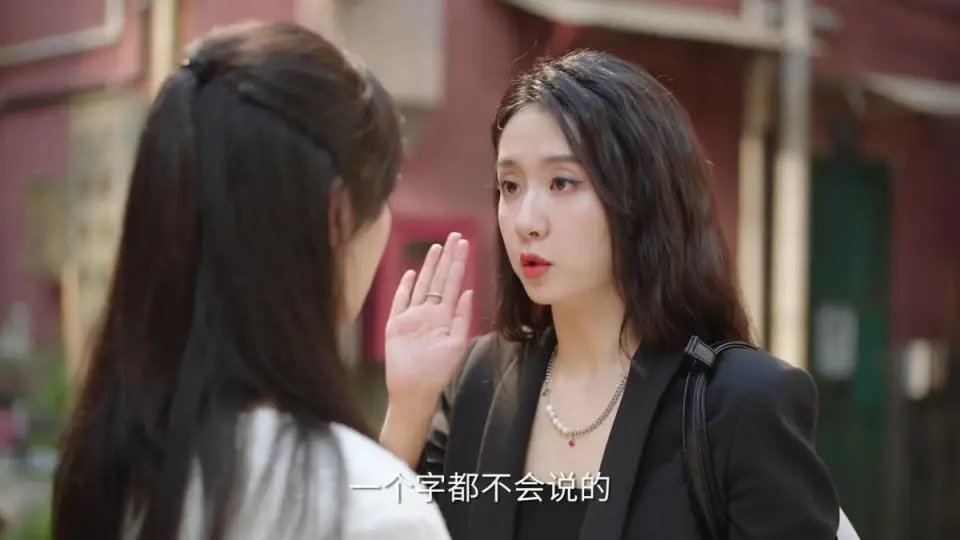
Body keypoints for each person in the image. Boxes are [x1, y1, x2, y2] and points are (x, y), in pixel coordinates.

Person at [379, 50, 841, 539]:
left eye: (562, 182)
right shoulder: (477, 383)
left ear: (642, 196)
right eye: (510, 186)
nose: (527, 221)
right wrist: (408, 408)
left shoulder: (740, 402)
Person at [52, 21, 451, 540]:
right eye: (384, 195)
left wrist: (408, 411)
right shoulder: (375, 515)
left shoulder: (109, 465)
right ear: (337, 218)